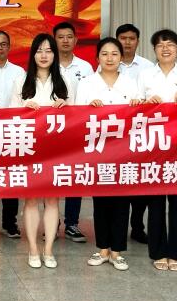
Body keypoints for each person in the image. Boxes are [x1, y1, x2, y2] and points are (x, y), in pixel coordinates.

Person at [74, 37, 140, 271]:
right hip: (98, 150)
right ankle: (102, 248)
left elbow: (141, 116)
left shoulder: (131, 83)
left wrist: (138, 105)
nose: (109, 58)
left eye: (114, 54)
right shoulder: (87, 83)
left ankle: (117, 251)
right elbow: (77, 116)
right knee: (101, 201)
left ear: (121, 57)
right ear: (97, 57)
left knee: (122, 202)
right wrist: (88, 108)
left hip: (124, 151)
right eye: (104, 54)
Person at [14, 32, 72, 269]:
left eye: (49, 51)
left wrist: (66, 106)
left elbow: (78, 116)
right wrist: (23, 107)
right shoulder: (21, 80)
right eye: (39, 51)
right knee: (30, 200)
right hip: (29, 148)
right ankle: (33, 249)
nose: (44, 55)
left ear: (55, 54)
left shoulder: (64, 80)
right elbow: (9, 115)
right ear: (33, 54)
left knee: (52, 200)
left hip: (56, 150)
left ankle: (48, 250)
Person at [139, 29, 177, 271]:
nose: (166, 49)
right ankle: (158, 251)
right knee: (156, 201)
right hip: (154, 144)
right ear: (154, 49)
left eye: (170, 45)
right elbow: (133, 107)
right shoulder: (144, 75)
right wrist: (145, 103)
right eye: (161, 45)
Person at [54, 21, 94, 245]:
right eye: (61, 37)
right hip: (53, 130)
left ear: (76, 40)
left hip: (79, 129)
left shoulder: (86, 67)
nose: (65, 41)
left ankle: (72, 222)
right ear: (55, 40)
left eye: (69, 36)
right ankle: (52, 222)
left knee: (75, 175)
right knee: (51, 175)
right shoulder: (49, 64)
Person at [116, 23, 154, 243]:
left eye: (131, 38)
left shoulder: (148, 67)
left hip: (141, 132)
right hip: (116, 134)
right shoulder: (107, 64)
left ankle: (138, 226)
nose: (127, 42)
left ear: (138, 41)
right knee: (120, 181)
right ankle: (119, 226)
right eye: (123, 38)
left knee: (141, 182)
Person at [0, 29, 24, 238]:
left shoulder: (19, 72)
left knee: (11, 178)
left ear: (9, 47)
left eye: (3, 44)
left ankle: (10, 223)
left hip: (12, 130)